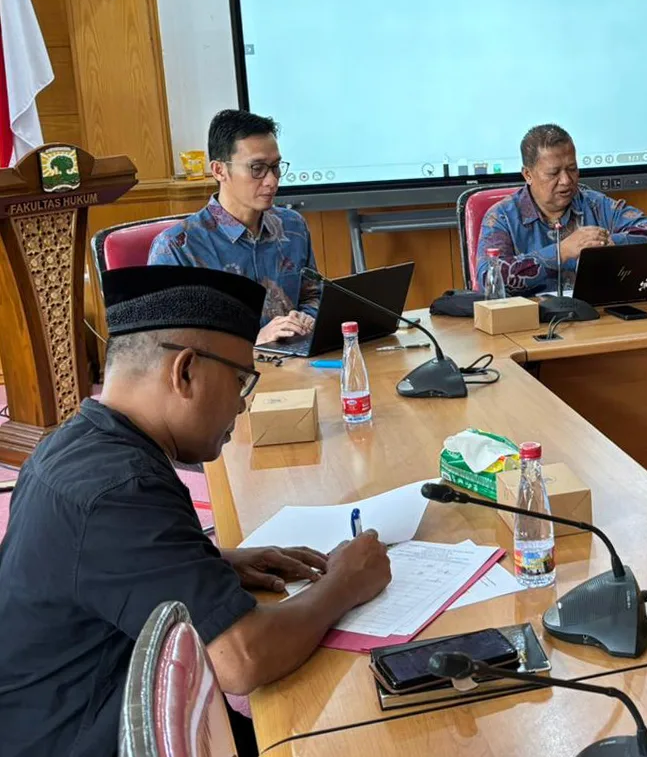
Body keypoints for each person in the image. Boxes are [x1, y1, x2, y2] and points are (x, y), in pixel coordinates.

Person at [0, 266, 392, 757]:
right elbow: (242, 659)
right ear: (184, 371)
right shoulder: (123, 489)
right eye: (241, 381)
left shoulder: (75, 441)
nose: (243, 406)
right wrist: (347, 582)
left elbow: (83, 569)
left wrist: (214, 561)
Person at [149, 109, 320, 345]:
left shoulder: (293, 227)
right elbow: (170, 342)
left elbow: (313, 296)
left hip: (297, 366)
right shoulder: (177, 247)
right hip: (225, 376)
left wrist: (305, 320)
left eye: (276, 167)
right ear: (219, 170)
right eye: (257, 168)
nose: (272, 180)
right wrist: (255, 340)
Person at [475, 123, 647, 295]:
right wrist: (560, 252)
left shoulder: (595, 204)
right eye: (553, 173)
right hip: (529, 324)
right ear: (528, 174)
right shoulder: (502, 217)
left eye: (572, 169)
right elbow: (488, 280)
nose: (566, 181)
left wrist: (606, 243)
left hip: (597, 318)